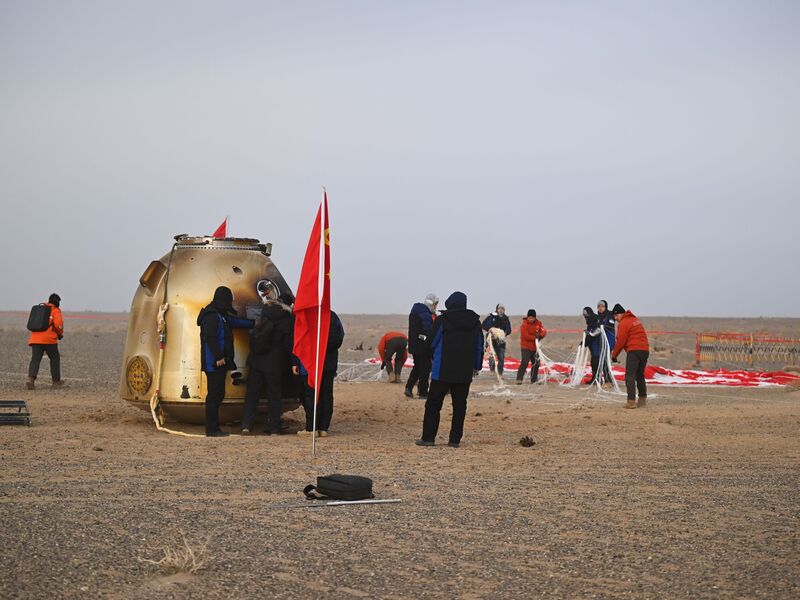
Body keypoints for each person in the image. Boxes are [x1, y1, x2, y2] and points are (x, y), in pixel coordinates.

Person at [416, 291, 484, 448]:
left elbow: (431, 343)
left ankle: (428, 438)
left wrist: (431, 357)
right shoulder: (475, 323)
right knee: (460, 405)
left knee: (433, 404)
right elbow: (479, 347)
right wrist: (476, 366)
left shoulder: (442, 320)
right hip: (464, 372)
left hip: (442, 370)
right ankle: (454, 440)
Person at [197, 286, 254, 437]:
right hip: (214, 363)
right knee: (214, 395)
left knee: (218, 394)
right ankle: (211, 429)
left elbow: (233, 321)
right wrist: (218, 357)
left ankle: (214, 427)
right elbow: (210, 338)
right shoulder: (211, 316)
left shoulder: (219, 315)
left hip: (218, 362)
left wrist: (253, 323)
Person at [242, 294, 294, 435]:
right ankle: (274, 428)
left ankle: (246, 425)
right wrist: (293, 361)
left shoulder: (264, 313)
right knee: (274, 395)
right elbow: (289, 343)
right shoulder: (286, 319)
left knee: (252, 394)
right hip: (274, 363)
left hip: (256, 360)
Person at [611, 303, 650, 409]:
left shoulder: (624, 323)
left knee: (630, 376)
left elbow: (620, 341)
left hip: (634, 351)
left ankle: (631, 401)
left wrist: (614, 355)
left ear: (619, 314)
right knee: (640, 375)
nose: (616, 319)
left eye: (615, 316)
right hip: (645, 350)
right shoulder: (634, 320)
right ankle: (642, 400)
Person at [27, 293, 65, 390]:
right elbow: (58, 325)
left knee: (35, 359)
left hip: (35, 339)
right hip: (49, 340)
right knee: (55, 358)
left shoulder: (40, 309)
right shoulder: (55, 311)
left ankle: (31, 380)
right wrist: (60, 333)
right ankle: (56, 381)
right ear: (58, 302)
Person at [405, 294, 438, 399]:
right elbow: (427, 331)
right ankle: (423, 392)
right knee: (425, 369)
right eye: (435, 305)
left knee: (417, 367)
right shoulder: (426, 315)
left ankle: (409, 387)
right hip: (423, 347)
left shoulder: (415, 312)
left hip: (414, 345)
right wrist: (430, 344)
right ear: (431, 304)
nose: (435, 308)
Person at [516, 309, 547, 384]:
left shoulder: (538, 323)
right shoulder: (524, 325)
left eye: (532, 318)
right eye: (529, 317)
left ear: (535, 318)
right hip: (526, 347)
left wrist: (540, 335)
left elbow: (544, 331)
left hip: (535, 348)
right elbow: (526, 336)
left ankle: (533, 380)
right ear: (527, 317)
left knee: (536, 363)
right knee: (525, 362)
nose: (531, 319)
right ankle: (519, 379)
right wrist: (535, 337)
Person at [482, 304, 512, 375]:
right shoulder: (491, 316)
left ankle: (500, 373)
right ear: (497, 309)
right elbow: (483, 325)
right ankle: (492, 371)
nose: (501, 310)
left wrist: (505, 333)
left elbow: (509, 329)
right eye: (499, 308)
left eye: (502, 309)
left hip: (501, 341)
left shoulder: (505, 319)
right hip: (491, 340)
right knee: (491, 357)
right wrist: (490, 329)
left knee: (501, 357)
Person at [596, 300, 616, 383]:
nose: (600, 308)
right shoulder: (598, 317)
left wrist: (602, 326)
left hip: (608, 342)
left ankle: (609, 381)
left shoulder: (610, 314)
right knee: (601, 361)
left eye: (602, 306)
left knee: (606, 361)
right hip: (601, 342)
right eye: (599, 306)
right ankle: (602, 379)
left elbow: (610, 324)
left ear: (606, 307)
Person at [582, 307, 603, 384]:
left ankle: (597, 379)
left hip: (596, 345)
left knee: (595, 362)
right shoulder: (591, 320)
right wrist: (584, 343)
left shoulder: (594, 320)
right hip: (593, 345)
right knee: (593, 361)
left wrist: (586, 341)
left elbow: (595, 332)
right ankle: (595, 378)